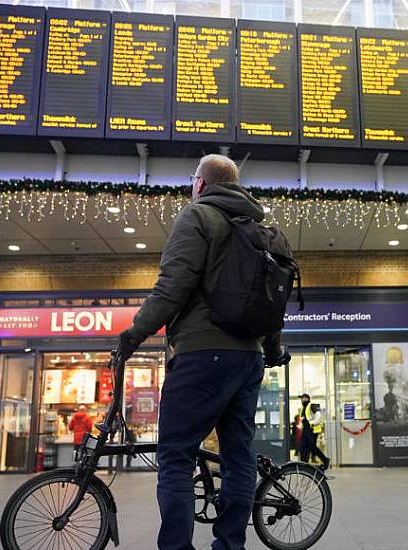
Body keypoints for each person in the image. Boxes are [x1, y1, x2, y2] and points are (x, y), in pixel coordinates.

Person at [117, 154, 289, 550]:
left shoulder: (197, 216)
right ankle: (230, 545)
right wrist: (272, 351)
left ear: (200, 184)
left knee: (176, 454)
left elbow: (172, 287)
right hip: (248, 359)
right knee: (238, 456)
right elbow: (273, 306)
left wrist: (133, 335)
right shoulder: (262, 227)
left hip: (200, 354)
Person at [298, 393, 330, 470]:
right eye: (302, 398)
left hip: (312, 430)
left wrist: (313, 423)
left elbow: (318, 415)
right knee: (303, 447)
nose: (303, 400)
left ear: (308, 399)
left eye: (304, 398)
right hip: (305, 430)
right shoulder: (303, 408)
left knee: (312, 447)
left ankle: (325, 460)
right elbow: (303, 419)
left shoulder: (312, 405)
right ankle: (304, 464)